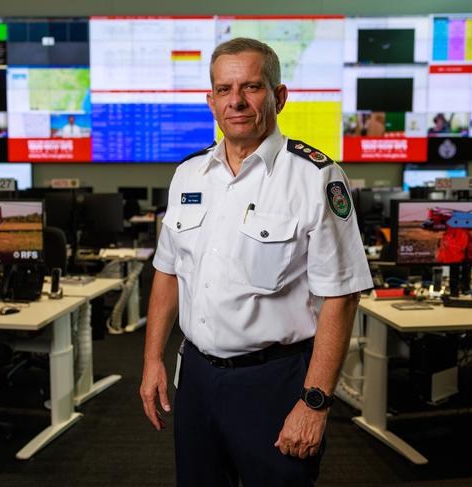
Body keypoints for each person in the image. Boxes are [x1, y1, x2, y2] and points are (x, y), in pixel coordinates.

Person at [140, 37, 373, 487]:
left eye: (251, 87)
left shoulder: (315, 177)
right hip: (198, 381)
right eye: (225, 90)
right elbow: (167, 272)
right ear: (210, 101)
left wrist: (315, 402)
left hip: (275, 384)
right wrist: (152, 359)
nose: (237, 101)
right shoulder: (188, 174)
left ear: (279, 97)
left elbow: (341, 296)